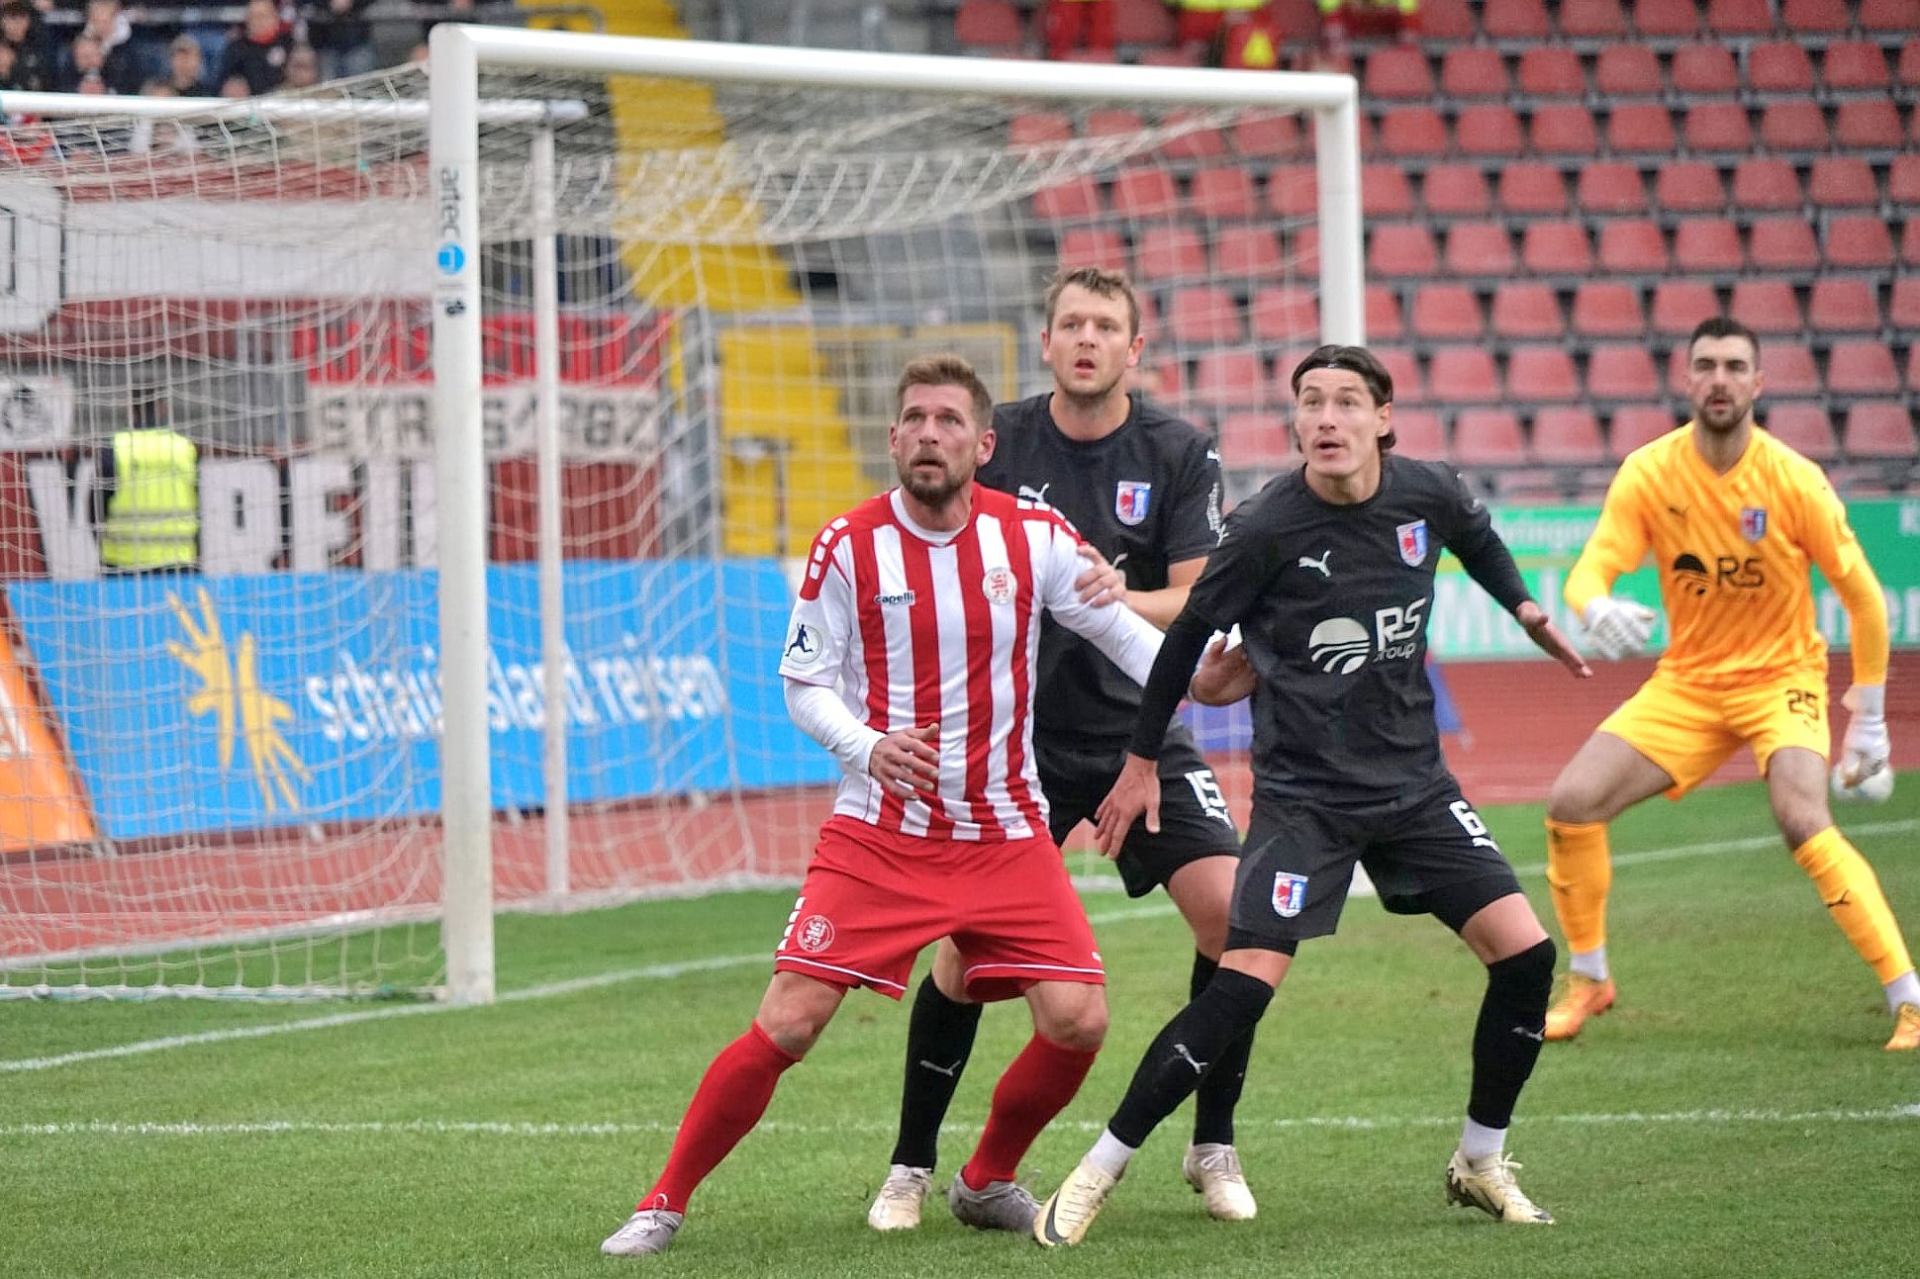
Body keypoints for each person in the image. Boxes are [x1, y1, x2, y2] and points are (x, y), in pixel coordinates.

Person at [599, 354, 1167, 1258]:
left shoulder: (1034, 536)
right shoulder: (848, 544)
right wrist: (867, 746)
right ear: (894, 439)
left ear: (983, 444)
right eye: (916, 420)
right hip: (881, 834)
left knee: (1079, 1019)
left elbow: (1128, 641)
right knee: (790, 1020)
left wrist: (1211, 668)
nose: (930, 435)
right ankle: (662, 1202)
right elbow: (804, 684)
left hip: (1004, 832)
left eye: (950, 421)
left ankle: (984, 1180)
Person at [1031, 345, 1593, 1247]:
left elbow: (1478, 537)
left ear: (1382, 418)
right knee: (1240, 988)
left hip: (1416, 789)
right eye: (1310, 403)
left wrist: (1525, 608)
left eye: (1346, 401)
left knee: (1526, 956)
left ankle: (1481, 1160)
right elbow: (1186, 649)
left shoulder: (1428, 493)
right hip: (1305, 801)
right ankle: (1099, 1167)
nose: (1327, 418)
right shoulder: (1264, 526)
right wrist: (1140, 761)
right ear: (1295, 423)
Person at [867, 267, 1258, 1234]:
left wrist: (1114, 593)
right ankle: (911, 1165)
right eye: (1070, 324)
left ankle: (1213, 1143)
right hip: (1012, 745)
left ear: (1135, 347)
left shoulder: (1178, 450)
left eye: (1105, 326)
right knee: (966, 958)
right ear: (1045, 344)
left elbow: (1198, 595)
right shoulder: (994, 440)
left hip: (1139, 729)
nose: (1087, 339)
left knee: (1234, 918)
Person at [1541, 316, 1919, 1051]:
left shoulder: (1793, 479)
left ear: (1758, 383)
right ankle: (1590, 977)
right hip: (1688, 683)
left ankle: (1908, 995)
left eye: (1735, 366)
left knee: (1802, 817)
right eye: (1707, 365)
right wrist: (1594, 605)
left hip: (1782, 678)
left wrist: (1870, 719)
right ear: (1687, 378)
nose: (1720, 379)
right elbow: (1590, 568)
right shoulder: (1650, 471)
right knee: (1572, 803)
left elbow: (1865, 598)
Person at [95, 422, 200, 573]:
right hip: (178, 561)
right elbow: (197, 506)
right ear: (164, 409)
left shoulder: (116, 446)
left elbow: (95, 508)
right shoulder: (183, 447)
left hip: (122, 562)